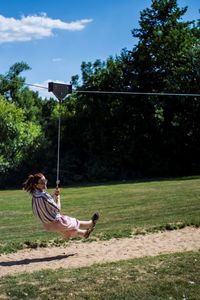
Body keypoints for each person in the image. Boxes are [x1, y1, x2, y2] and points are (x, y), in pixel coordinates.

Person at [23, 173, 99, 239]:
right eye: (42, 182)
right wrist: (58, 197)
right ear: (36, 185)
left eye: (45, 181)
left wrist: (53, 194)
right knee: (74, 222)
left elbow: (45, 201)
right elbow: (58, 208)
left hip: (46, 225)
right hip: (56, 221)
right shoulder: (44, 195)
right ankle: (90, 224)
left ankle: (84, 233)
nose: (44, 183)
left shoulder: (35, 194)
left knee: (68, 231)